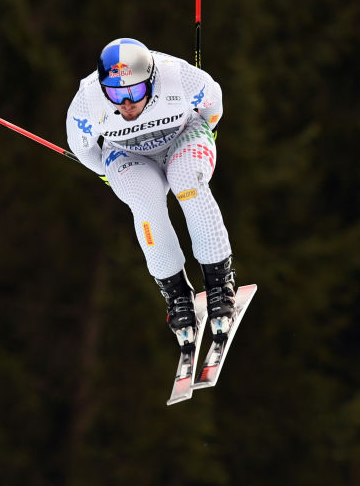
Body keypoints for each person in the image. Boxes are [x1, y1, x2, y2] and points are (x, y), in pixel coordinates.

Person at [65, 37, 237, 347]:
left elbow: (214, 101)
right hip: (128, 155)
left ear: (151, 79)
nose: (126, 103)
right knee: (145, 205)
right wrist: (106, 172)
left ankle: (219, 284)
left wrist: (207, 135)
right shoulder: (87, 100)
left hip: (183, 136)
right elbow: (82, 148)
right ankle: (176, 295)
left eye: (135, 91)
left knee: (188, 187)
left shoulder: (178, 76)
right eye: (116, 93)